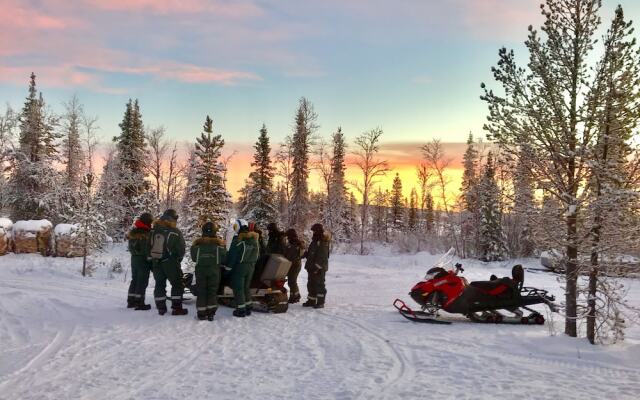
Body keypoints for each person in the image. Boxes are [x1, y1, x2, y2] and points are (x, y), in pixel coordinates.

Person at [149, 209, 188, 316]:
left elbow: (148, 247)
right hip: (171, 262)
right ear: (173, 218)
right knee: (177, 284)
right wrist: (177, 259)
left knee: (159, 284)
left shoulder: (153, 231)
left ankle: (161, 308)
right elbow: (181, 249)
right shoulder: (175, 232)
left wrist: (152, 260)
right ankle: (177, 308)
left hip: (156, 261)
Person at [190, 222, 226, 321]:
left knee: (201, 291)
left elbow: (193, 258)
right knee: (212, 291)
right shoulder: (220, 245)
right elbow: (224, 258)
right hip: (214, 271)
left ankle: (201, 313)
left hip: (201, 271)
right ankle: (211, 313)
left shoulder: (197, 245)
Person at [226, 219, 260, 317]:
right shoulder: (254, 240)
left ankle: (241, 310)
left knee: (238, 288)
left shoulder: (238, 240)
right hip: (251, 267)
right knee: (246, 287)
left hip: (239, 268)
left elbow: (232, 257)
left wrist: (227, 270)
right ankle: (248, 306)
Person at [126, 212, 153, 310]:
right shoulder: (146, 233)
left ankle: (131, 301)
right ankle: (139, 303)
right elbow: (147, 250)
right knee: (142, 281)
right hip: (143, 260)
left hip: (134, 259)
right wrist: (151, 262)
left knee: (135, 280)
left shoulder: (133, 232)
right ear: (148, 222)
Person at [303, 223, 330, 309]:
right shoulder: (314, 241)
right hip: (311, 267)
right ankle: (311, 300)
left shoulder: (322, 241)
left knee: (319, 284)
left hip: (319, 268)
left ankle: (320, 302)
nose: (313, 232)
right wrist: (306, 254)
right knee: (311, 284)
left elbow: (322, 256)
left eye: (314, 231)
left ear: (318, 231)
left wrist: (317, 268)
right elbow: (313, 253)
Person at [283, 228, 304, 304]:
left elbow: (292, 256)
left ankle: (294, 297)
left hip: (295, 265)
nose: (287, 238)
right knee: (291, 281)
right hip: (291, 264)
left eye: (288, 236)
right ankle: (296, 295)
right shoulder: (291, 243)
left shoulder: (296, 243)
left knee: (292, 281)